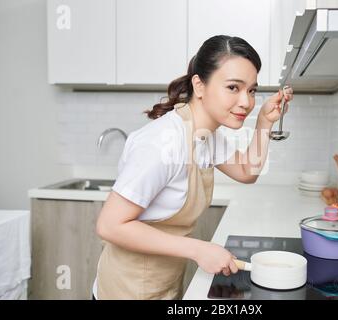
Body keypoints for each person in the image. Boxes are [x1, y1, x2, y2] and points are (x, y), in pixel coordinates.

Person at [92, 35, 293, 300]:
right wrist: (198, 249)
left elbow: (246, 171)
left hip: (163, 284)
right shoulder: (163, 143)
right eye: (233, 87)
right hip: (126, 291)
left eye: (252, 90)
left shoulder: (205, 134)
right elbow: (109, 225)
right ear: (199, 85)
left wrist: (264, 122)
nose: (246, 102)